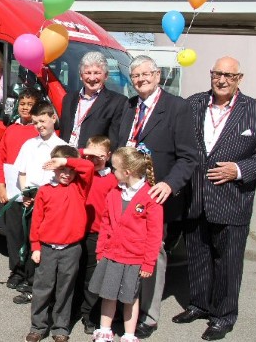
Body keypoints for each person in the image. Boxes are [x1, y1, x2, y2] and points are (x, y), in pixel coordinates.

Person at [173, 56, 256, 341]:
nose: (222, 80)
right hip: (195, 197)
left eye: (229, 75)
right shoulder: (193, 104)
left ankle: (223, 316)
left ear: (239, 78)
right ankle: (199, 305)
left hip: (232, 199)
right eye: (218, 74)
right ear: (210, 74)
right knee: (198, 256)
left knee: (228, 263)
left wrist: (239, 169)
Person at [116, 55, 198, 339]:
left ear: (158, 74)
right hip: (126, 193)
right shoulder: (129, 107)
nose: (140, 79)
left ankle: (148, 317)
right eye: (135, 76)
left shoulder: (178, 108)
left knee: (152, 254)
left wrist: (169, 184)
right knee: (124, 250)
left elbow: (189, 157)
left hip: (155, 196)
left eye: (146, 74)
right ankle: (127, 306)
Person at [89, 146, 163, 342]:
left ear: (127, 172)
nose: (112, 172)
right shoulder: (115, 192)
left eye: (114, 168)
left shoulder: (150, 196)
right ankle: (105, 330)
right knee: (108, 294)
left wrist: (148, 263)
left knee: (130, 297)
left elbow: (155, 234)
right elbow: (105, 223)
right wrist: (100, 250)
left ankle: (129, 334)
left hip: (134, 257)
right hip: (112, 255)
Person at [24, 145, 94, 342]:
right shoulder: (45, 191)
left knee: (65, 289)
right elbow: (36, 221)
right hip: (47, 248)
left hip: (71, 249)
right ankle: (38, 326)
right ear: (53, 168)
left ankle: (60, 327)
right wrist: (35, 246)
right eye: (62, 170)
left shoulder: (80, 188)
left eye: (70, 170)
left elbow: (87, 167)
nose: (66, 174)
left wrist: (66, 161)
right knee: (42, 289)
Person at [13, 100, 68, 304]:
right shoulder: (29, 144)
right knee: (30, 244)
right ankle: (30, 284)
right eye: (36, 122)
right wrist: (26, 194)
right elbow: (22, 172)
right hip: (32, 201)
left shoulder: (63, 148)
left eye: (43, 121)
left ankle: (46, 288)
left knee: (47, 247)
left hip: (52, 205)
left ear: (54, 118)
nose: (39, 126)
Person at [0, 89, 40, 296]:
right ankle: (17, 271)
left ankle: (31, 276)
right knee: (14, 234)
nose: (25, 107)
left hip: (32, 194)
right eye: (22, 103)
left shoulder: (42, 132)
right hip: (12, 192)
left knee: (31, 236)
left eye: (30, 104)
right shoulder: (11, 129)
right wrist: (0, 185)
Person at [75, 135, 118, 335]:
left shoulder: (112, 179)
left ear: (108, 156)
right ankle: (70, 308)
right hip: (75, 230)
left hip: (96, 234)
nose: (95, 159)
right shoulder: (81, 171)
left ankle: (88, 313)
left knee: (91, 277)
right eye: (91, 154)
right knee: (73, 272)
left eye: (100, 155)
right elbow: (72, 156)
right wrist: (87, 153)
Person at [59, 51, 127, 150]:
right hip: (66, 158)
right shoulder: (68, 99)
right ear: (81, 75)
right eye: (88, 73)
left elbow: (114, 141)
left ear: (106, 76)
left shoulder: (117, 102)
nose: (92, 78)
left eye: (97, 73)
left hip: (93, 161)